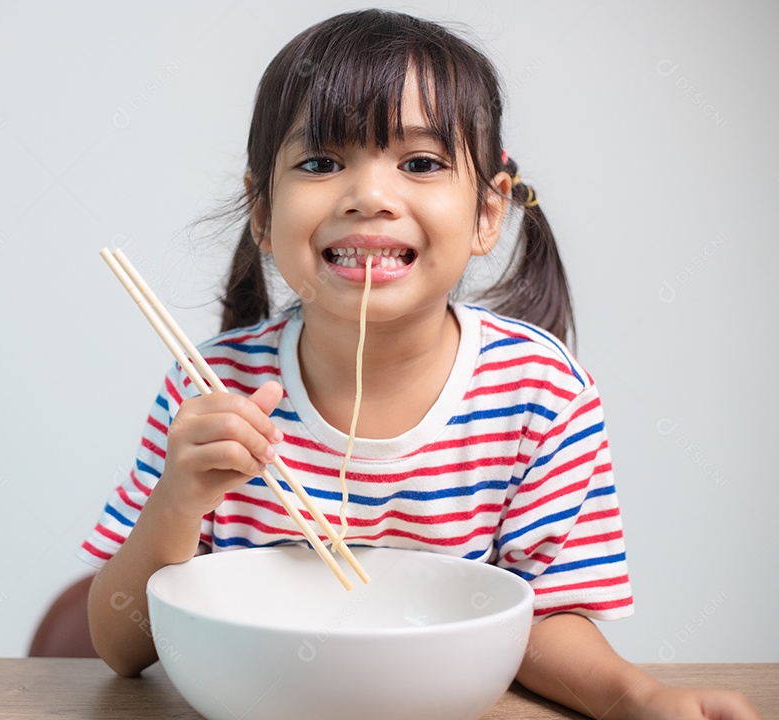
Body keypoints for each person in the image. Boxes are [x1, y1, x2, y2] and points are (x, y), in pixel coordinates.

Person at [78, 9, 760, 720]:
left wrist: (636, 699)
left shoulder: (540, 395)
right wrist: (179, 501)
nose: (370, 196)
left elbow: (540, 618)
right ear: (262, 212)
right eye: (320, 162)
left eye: (421, 164)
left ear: (488, 212)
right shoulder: (211, 388)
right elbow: (121, 647)